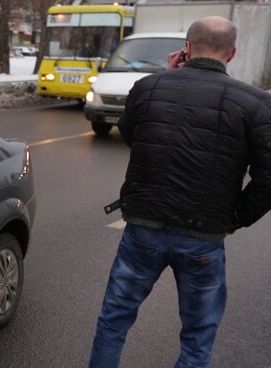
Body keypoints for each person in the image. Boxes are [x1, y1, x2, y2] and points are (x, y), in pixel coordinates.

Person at [89, 16, 271, 368]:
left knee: (114, 320)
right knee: (197, 338)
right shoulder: (255, 104)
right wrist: (238, 216)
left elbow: (132, 136)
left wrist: (167, 77)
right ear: (231, 54)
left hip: (142, 228)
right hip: (202, 237)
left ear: (186, 49)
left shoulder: (148, 87)